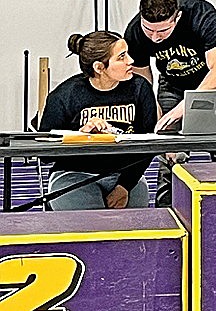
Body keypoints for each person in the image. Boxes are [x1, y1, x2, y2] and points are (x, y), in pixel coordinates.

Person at [125, 0, 216, 206]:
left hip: (215, 86)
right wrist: (160, 124)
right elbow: (143, 87)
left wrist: (186, 106)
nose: (155, 38)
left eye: (163, 31)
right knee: (169, 154)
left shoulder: (202, 15)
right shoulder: (135, 32)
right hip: (172, 86)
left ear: (177, 17)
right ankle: (167, 211)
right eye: (149, 30)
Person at [39, 31, 156, 210]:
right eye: (122, 57)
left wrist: (124, 185)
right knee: (95, 227)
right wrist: (80, 136)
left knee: (133, 228)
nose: (131, 61)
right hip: (74, 173)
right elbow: (44, 154)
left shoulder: (140, 88)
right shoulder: (65, 95)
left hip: (126, 173)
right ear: (99, 67)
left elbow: (146, 146)